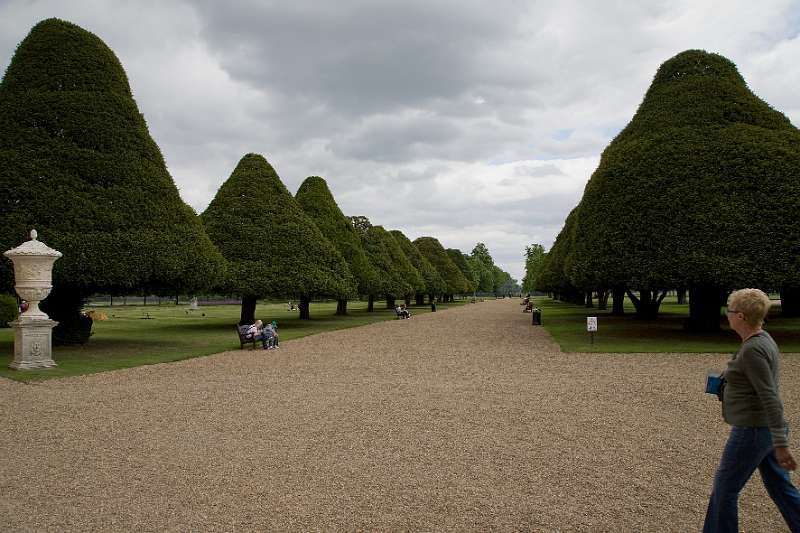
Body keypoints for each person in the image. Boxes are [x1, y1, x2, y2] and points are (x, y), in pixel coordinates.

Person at [703, 288, 800, 532]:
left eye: (731, 311)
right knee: (781, 488)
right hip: (763, 428)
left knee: (725, 488)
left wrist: (781, 442)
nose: (728, 315)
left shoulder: (753, 350)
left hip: (754, 429)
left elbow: (769, 395)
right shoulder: (761, 340)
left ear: (742, 317)